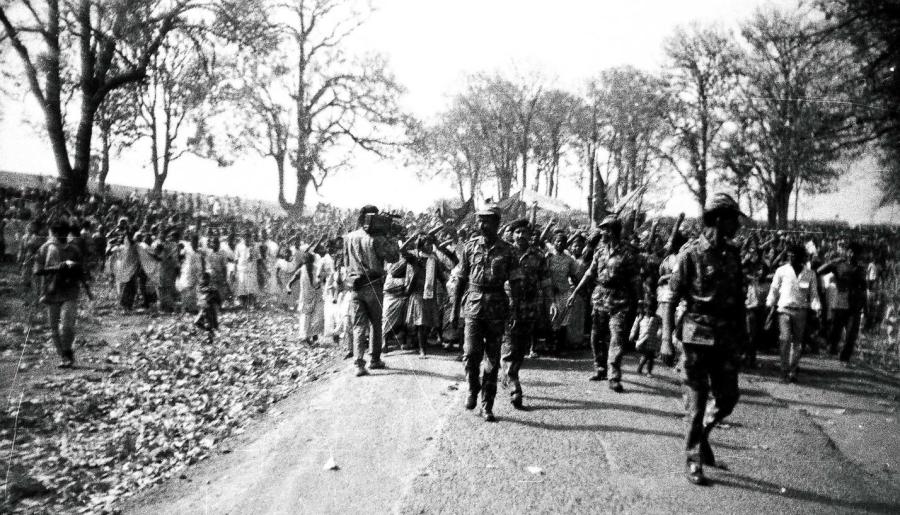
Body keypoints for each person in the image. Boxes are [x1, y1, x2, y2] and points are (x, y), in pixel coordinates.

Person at [662, 192, 746, 486]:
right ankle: (693, 459)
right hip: (696, 337)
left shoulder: (733, 254)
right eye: (733, 219)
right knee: (696, 405)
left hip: (726, 338)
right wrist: (665, 339)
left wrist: (744, 337)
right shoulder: (690, 254)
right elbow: (670, 299)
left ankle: (703, 433)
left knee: (728, 398)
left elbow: (739, 300)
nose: (737, 225)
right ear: (719, 219)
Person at [452, 205, 519, 422]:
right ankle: (473, 387)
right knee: (471, 354)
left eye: (487, 221)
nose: (482, 225)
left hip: (497, 308)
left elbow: (515, 283)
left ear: (497, 223)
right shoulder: (470, 247)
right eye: (480, 220)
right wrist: (454, 310)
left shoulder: (508, 250)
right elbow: (461, 279)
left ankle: (487, 404)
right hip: (473, 306)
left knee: (492, 359)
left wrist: (515, 310)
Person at [568, 215, 640, 393]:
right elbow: (590, 273)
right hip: (600, 297)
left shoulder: (628, 253)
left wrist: (638, 302)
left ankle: (614, 376)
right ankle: (600, 368)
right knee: (596, 336)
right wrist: (575, 292)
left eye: (605, 230)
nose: (602, 233)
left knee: (617, 337)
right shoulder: (600, 250)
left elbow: (635, 280)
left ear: (613, 231)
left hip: (620, 300)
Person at [344, 205, 400, 376]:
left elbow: (345, 262)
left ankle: (358, 364)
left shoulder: (349, 237)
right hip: (373, 284)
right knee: (375, 323)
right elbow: (394, 257)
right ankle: (374, 360)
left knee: (358, 325)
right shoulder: (378, 239)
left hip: (355, 286)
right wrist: (392, 237)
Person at [34, 220, 92, 368]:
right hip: (51, 291)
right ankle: (63, 356)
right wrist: (58, 268)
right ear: (54, 233)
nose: (61, 236)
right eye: (58, 233)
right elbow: (37, 271)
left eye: (64, 233)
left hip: (70, 290)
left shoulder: (74, 250)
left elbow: (81, 270)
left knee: (67, 325)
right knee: (54, 328)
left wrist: (87, 288)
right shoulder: (45, 249)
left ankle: (67, 350)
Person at [502, 219, 546, 409]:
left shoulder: (538, 255)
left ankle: (509, 374)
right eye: (517, 232)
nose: (521, 236)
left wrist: (551, 303)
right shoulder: (505, 253)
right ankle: (514, 384)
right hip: (508, 306)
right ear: (512, 234)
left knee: (521, 346)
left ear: (530, 234)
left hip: (530, 306)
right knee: (510, 344)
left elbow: (545, 280)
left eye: (524, 232)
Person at [766, 243, 821, 383]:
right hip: (784, 310)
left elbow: (814, 294)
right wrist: (769, 303)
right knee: (784, 340)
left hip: (801, 312)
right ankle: (784, 370)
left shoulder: (810, 274)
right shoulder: (781, 271)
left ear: (801, 257)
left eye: (794, 255)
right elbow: (774, 289)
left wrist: (817, 307)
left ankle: (792, 370)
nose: (791, 258)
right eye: (789, 255)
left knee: (797, 343)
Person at [631, 298, 662, 376]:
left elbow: (661, 327)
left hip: (653, 340)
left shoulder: (658, 318)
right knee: (646, 355)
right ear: (645, 308)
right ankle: (641, 367)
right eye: (648, 309)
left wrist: (659, 332)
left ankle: (648, 371)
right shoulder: (641, 316)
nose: (650, 311)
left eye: (653, 310)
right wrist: (632, 334)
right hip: (643, 340)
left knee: (650, 356)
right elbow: (635, 326)